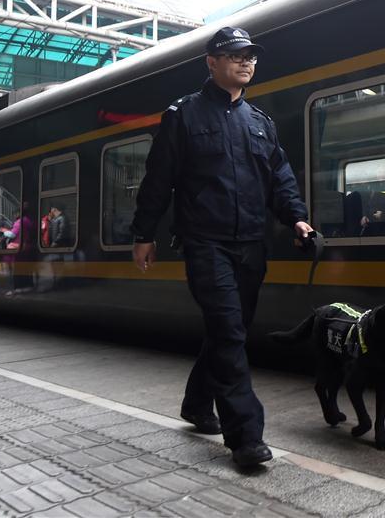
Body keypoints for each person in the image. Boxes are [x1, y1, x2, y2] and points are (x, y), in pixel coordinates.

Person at [131, 26, 313, 468]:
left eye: (250, 56)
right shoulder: (184, 116)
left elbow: (280, 179)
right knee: (230, 332)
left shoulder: (260, 124)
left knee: (227, 331)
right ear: (211, 62)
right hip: (205, 242)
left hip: (251, 244)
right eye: (235, 56)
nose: (246, 62)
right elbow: (160, 179)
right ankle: (246, 437)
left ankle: (197, 403)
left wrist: (297, 217)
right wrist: (144, 234)